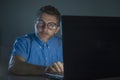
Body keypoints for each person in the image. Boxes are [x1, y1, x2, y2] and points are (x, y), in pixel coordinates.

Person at [8, 5, 64, 76]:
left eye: (51, 25)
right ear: (35, 23)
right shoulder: (23, 41)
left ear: (57, 29)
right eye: (41, 22)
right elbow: (14, 66)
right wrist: (46, 70)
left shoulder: (64, 44)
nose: (45, 29)